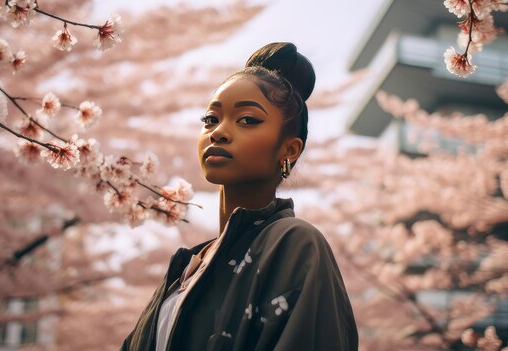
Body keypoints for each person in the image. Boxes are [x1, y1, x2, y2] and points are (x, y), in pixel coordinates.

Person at [120, 42, 359, 351]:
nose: (218, 132)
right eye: (210, 119)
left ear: (289, 150)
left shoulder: (295, 243)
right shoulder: (186, 266)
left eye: (247, 119)